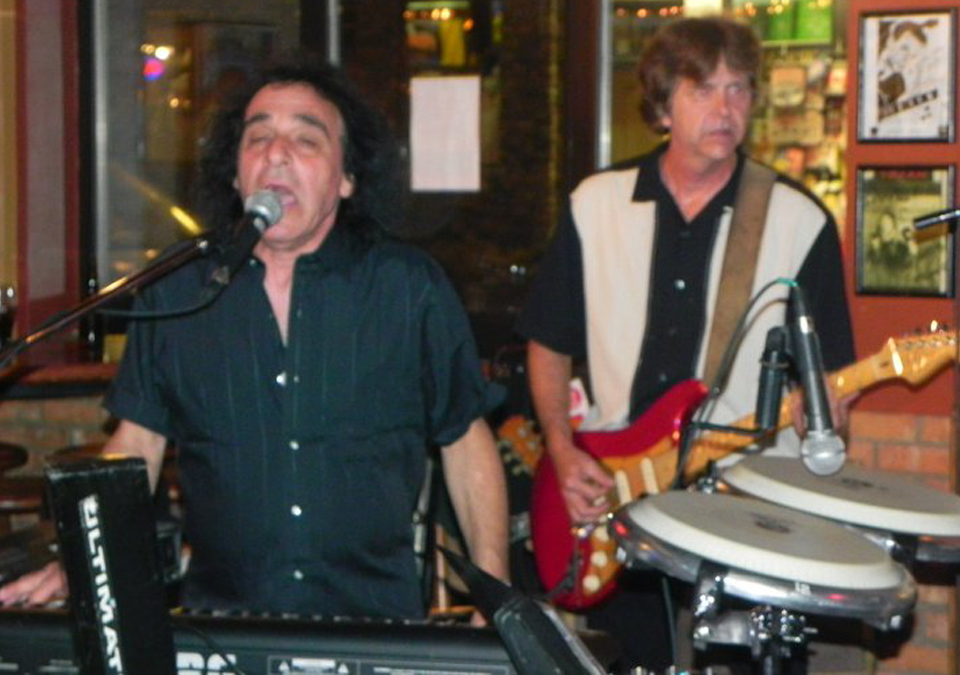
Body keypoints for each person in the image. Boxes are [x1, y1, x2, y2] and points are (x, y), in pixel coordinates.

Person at [0, 59, 509, 619]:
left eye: (306, 139)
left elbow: (466, 440)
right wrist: (79, 561)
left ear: (347, 178)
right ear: (236, 175)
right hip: (226, 624)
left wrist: (496, 595)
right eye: (258, 137)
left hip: (375, 623)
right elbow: (138, 443)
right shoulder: (180, 289)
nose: (277, 154)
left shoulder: (407, 287)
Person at [516, 16, 854, 671]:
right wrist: (561, 448)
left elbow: (831, 384)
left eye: (739, 88)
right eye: (704, 90)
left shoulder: (798, 219)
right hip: (617, 495)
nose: (726, 108)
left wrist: (826, 414)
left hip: (748, 510)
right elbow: (548, 343)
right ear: (661, 105)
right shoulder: (595, 204)